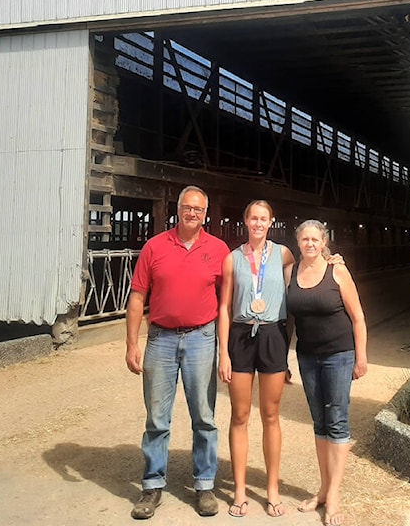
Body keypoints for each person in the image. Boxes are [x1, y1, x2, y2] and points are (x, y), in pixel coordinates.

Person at [125, 186, 230, 520]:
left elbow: (229, 298)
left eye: (198, 209)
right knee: (157, 418)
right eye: (187, 207)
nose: (192, 214)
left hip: (201, 337)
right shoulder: (155, 247)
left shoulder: (218, 249)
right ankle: (153, 485)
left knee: (204, 416)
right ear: (177, 208)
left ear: (205, 213)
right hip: (161, 340)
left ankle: (204, 484)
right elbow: (138, 297)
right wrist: (131, 343)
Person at [285, 219, 368, 526]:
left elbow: (358, 317)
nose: (309, 244)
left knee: (337, 420)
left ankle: (333, 495)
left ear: (323, 243)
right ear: (298, 242)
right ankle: (322, 489)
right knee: (320, 421)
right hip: (307, 356)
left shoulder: (337, 271)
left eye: (314, 239)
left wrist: (362, 357)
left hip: (339, 355)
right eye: (304, 239)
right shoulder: (291, 272)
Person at [217, 200, 294, 518]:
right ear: (245, 221)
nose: (259, 223)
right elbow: (224, 306)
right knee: (240, 414)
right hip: (240, 334)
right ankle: (239, 489)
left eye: (264, 219)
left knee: (271, 415)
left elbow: (306, 276)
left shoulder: (284, 254)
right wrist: (223, 351)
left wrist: (332, 257)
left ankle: (272, 489)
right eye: (253, 218)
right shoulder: (232, 259)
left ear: (271, 222)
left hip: (273, 335)